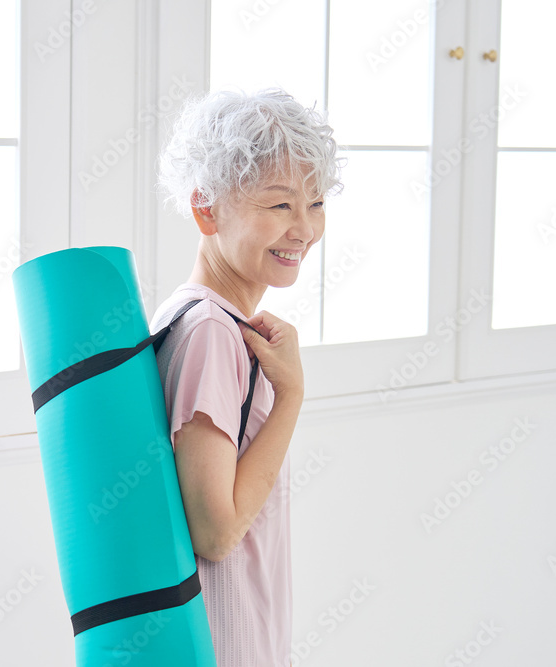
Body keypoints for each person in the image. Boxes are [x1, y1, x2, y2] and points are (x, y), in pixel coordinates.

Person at [149, 87, 343, 666]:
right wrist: (292, 395)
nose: (304, 229)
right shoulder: (210, 331)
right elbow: (216, 532)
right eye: (280, 205)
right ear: (206, 209)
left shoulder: (205, 319)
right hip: (225, 646)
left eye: (316, 202)